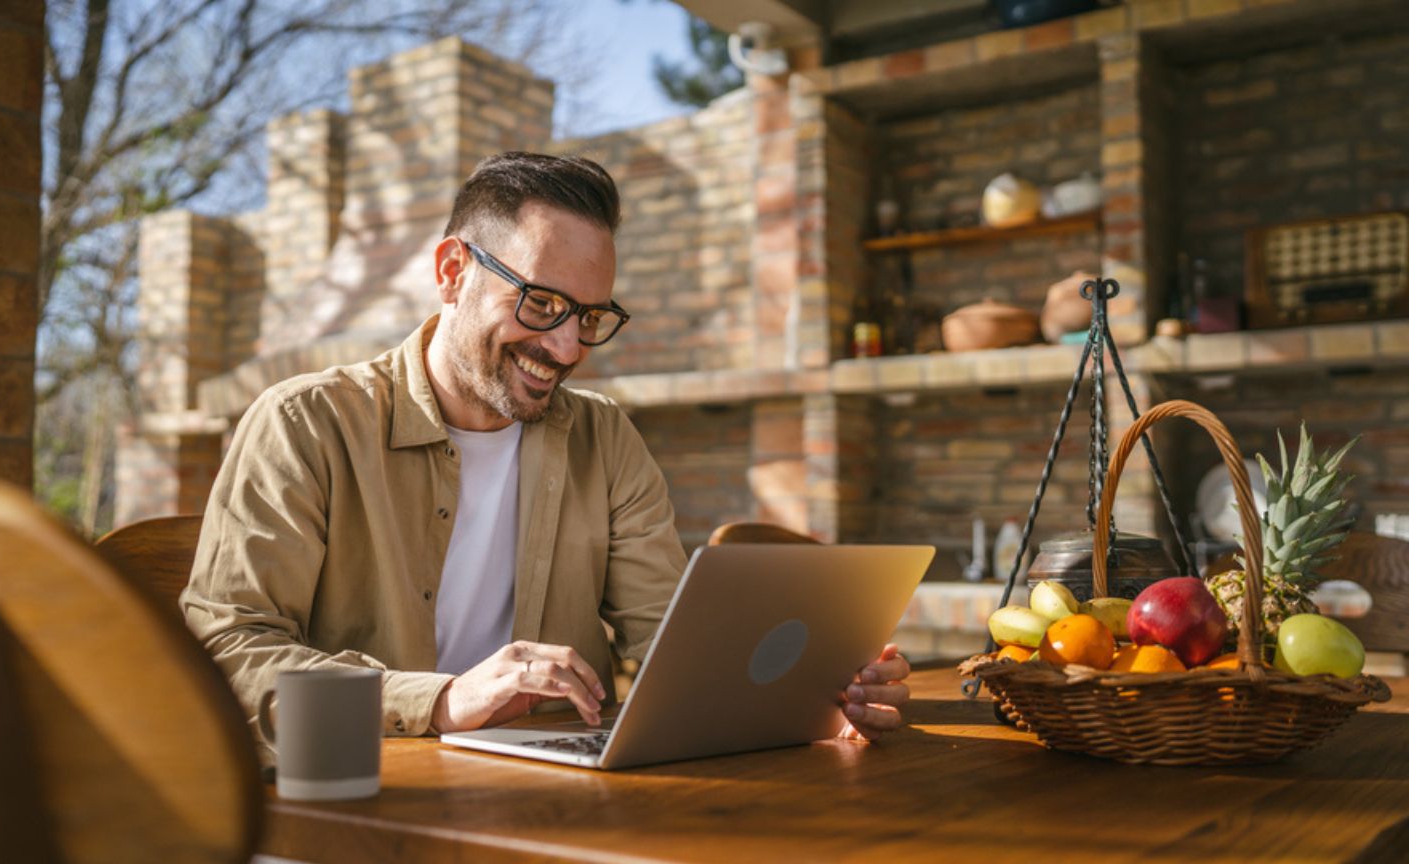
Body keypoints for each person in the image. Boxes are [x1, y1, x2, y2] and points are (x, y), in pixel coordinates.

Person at [181, 151, 911, 754]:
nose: (566, 347)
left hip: (558, 798)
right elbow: (229, 647)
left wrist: (811, 697)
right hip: (361, 794)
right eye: (539, 303)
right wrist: (440, 700)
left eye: (590, 316)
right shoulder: (306, 424)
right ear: (451, 273)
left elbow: (667, 643)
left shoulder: (607, 439)